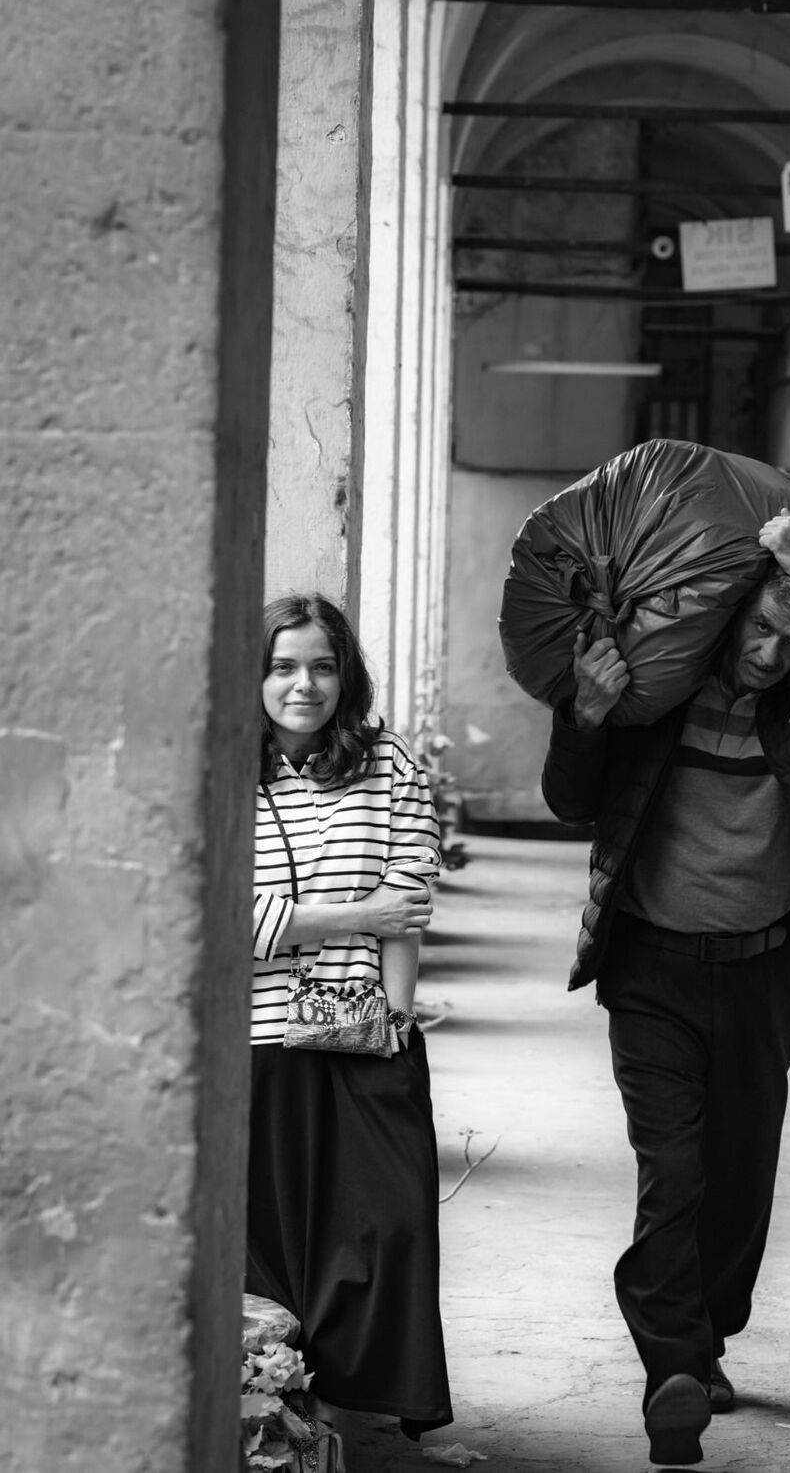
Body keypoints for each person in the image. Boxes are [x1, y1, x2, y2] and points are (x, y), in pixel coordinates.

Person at [541, 510, 790, 1467]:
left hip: (760, 973)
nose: (767, 653)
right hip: (652, 972)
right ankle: (670, 1370)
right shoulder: (659, 695)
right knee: (671, 1172)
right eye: (758, 628)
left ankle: (704, 1336)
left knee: (739, 1176)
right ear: (727, 615)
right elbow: (570, 799)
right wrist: (584, 713)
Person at [247, 593, 453, 1441]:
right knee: (271, 1239)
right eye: (283, 666)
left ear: (346, 676)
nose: (304, 685)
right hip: (255, 1039)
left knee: (388, 1223)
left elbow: (409, 898)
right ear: (254, 674)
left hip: (366, 1031)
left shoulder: (387, 760)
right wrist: (354, 916)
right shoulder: (221, 767)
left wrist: (397, 1026)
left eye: (322, 666)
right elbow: (222, 915)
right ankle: (295, 1410)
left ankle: (355, 1398)